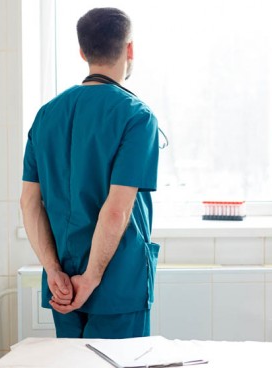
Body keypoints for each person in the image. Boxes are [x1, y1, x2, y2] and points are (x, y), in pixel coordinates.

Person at [20, 7, 160, 339]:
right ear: (129, 50)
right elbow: (116, 210)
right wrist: (93, 278)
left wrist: (54, 271)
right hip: (117, 283)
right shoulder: (136, 116)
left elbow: (29, 203)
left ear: (83, 52)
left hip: (64, 286)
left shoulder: (47, 115)